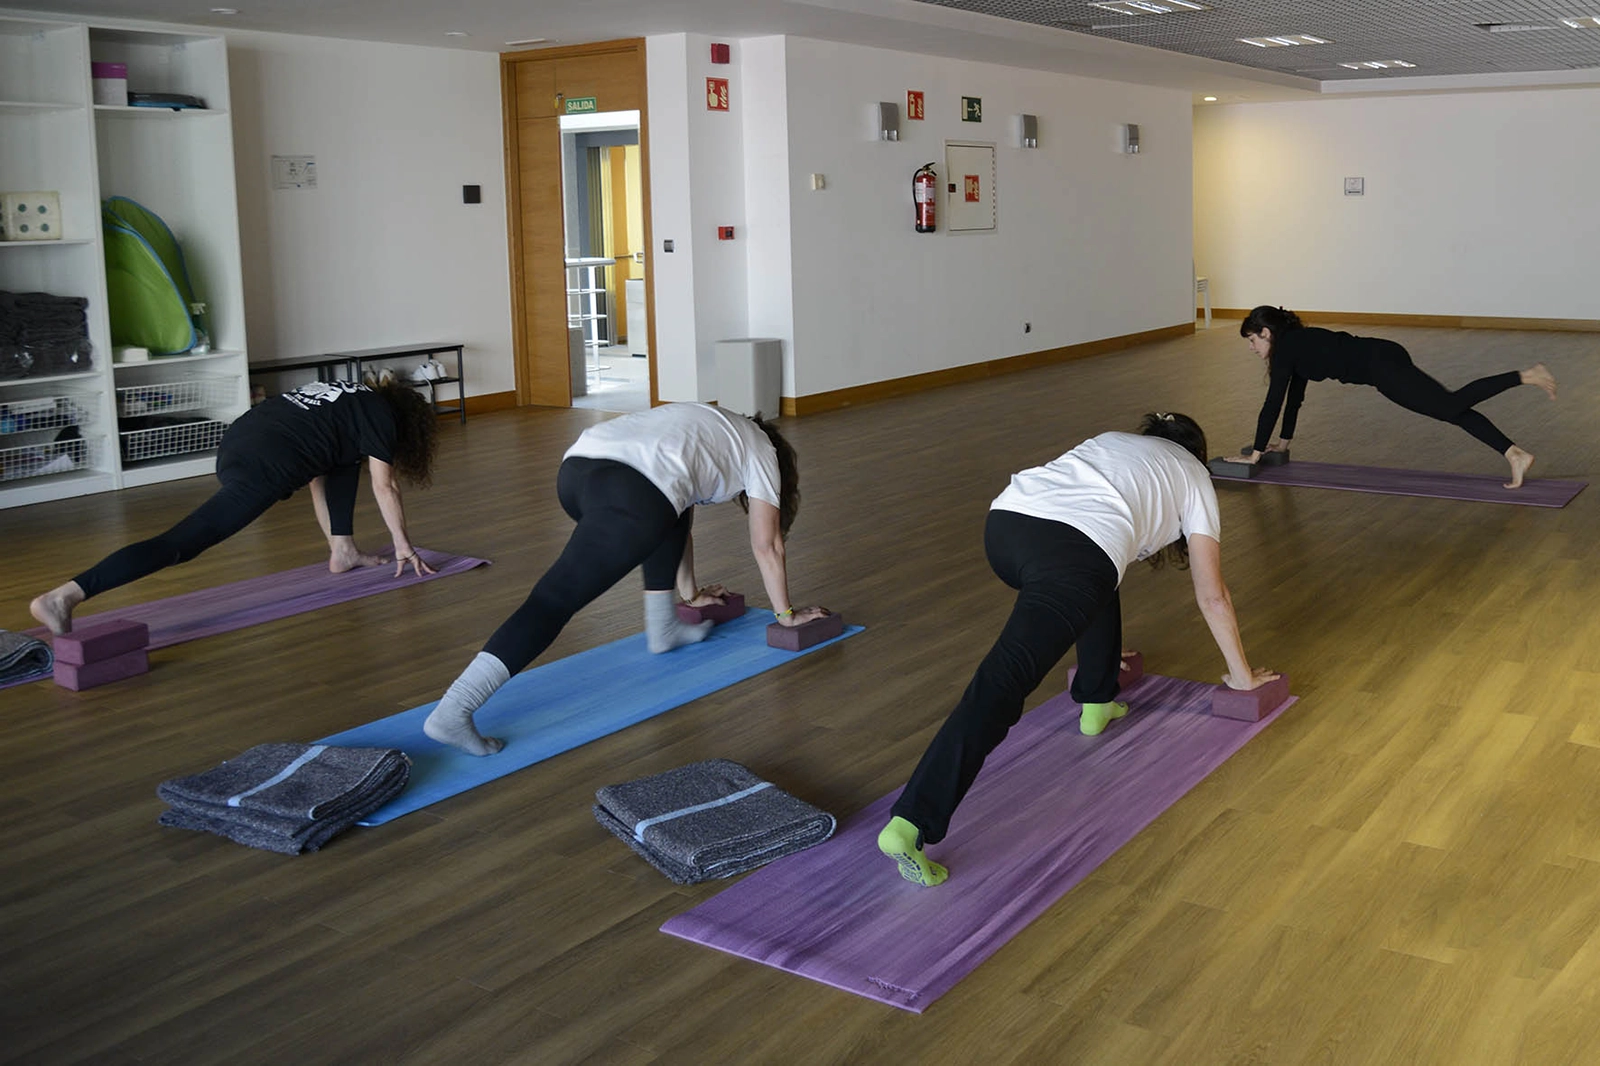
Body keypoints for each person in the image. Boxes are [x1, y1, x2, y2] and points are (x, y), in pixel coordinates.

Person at [877, 413, 1277, 888]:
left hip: (1006, 525)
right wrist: (1242, 677)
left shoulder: (1115, 441)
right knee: (1004, 681)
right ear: (1196, 451)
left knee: (1101, 573)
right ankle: (912, 822)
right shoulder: (1194, 476)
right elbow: (1213, 595)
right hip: (1074, 555)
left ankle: (1097, 697)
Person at [423, 401, 825, 757]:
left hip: (577, 471)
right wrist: (786, 616)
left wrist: (692, 595)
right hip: (630, 494)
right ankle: (454, 709)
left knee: (669, 511)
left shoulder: (715, 422)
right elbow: (767, 544)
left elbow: (678, 513)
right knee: (553, 600)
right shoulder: (762, 452)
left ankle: (663, 628)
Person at [29, 379, 439, 635]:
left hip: (239, 440)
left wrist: (339, 544)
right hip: (267, 461)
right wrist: (402, 545)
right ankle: (65, 596)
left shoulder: (350, 397)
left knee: (339, 463)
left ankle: (343, 551)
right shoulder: (381, 418)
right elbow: (385, 485)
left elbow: (322, 474)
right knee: (182, 542)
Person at [1239, 306, 1556, 489]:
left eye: (1252, 340)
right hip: (1383, 357)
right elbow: (1293, 398)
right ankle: (1514, 454)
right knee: (1451, 409)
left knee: (1450, 404)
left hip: (1381, 367)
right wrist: (1283, 444)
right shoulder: (1294, 345)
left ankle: (1527, 375)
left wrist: (1255, 454)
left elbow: (1273, 403)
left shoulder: (1287, 349)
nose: (1252, 348)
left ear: (1266, 332)